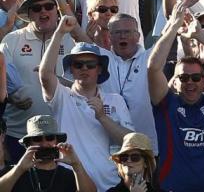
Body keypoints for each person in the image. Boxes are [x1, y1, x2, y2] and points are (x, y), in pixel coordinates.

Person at [148, 1, 204, 192]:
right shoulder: (166, 104)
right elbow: (154, 66)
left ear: (203, 80)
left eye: (196, 77)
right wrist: (174, 26)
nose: (190, 82)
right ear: (175, 81)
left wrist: (200, 35)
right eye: (183, 77)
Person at [39, 18, 134, 192]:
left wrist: (102, 117)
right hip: (69, 184)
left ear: (99, 69)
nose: (84, 68)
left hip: (109, 184)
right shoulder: (62, 96)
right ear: (71, 69)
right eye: (78, 64)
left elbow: (130, 142)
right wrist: (60, 33)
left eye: (90, 65)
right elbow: (45, 75)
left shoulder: (115, 100)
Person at [0, 0, 81, 162]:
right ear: (29, 14)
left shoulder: (71, 41)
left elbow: (87, 83)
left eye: (48, 6)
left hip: (60, 136)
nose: (43, 11)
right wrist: (11, 98)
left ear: (57, 9)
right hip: (18, 133)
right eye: (36, 8)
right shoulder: (11, 40)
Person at [100, 14, 157, 154]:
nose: (122, 36)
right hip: (109, 149)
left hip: (147, 148)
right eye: (117, 32)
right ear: (110, 37)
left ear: (138, 36)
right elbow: (78, 34)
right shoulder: (101, 60)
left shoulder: (151, 57)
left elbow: (167, 37)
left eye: (127, 31)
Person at [0, 114, 95, 192]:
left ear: (57, 142)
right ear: (29, 144)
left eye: (49, 138)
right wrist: (19, 169)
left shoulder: (70, 175)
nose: (44, 144)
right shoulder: (13, 172)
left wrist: (76, 165)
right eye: (37, 139)